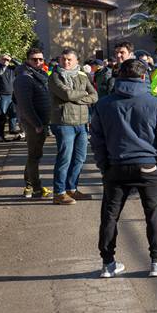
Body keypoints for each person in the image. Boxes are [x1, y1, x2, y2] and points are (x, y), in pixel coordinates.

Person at [90, 58, 157, 278]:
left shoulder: (104, 104)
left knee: (110, 216)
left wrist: (104, 167)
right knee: (154, 216)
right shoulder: (154, 103)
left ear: (119, 77)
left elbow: (97, 139)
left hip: (116, 167)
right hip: (149, 167)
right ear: (143, 77)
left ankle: (108, 264)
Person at [48, 48, 99, 204]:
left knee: (79, 158)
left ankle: (72, 189)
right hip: (64, 123)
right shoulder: (55, 76)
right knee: (65, 158)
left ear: (77, 61)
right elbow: (67, 95)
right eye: (63, 59)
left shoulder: (82, 75)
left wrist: (77, 97)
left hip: (82, 123)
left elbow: (95, 96)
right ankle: (59, 193)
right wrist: (83, 94)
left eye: (70, 59)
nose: (66, 62)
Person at [13, 48, 53, 198]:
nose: (38, 62)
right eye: (34, 59)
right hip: (33, 123)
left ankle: (29, 185)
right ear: (27, 60)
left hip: (41, 121)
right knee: (34, 156)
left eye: (40, 59)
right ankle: (35, 187)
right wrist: (36, 124)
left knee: (35, 154)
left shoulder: (38, 75)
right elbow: (25, 105)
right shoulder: (24, 77)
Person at [0, 54, 23, 138]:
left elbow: (21, 66)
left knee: (13, 113)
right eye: (4, 59)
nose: (5, 61)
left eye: (7, 60)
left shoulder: (11, 69)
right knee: (2, 114)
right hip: (3, 94)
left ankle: (13, 129)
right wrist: (2, 64)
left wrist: (12, 59)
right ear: (0, 60)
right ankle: (0, 132)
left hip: (13, 94)